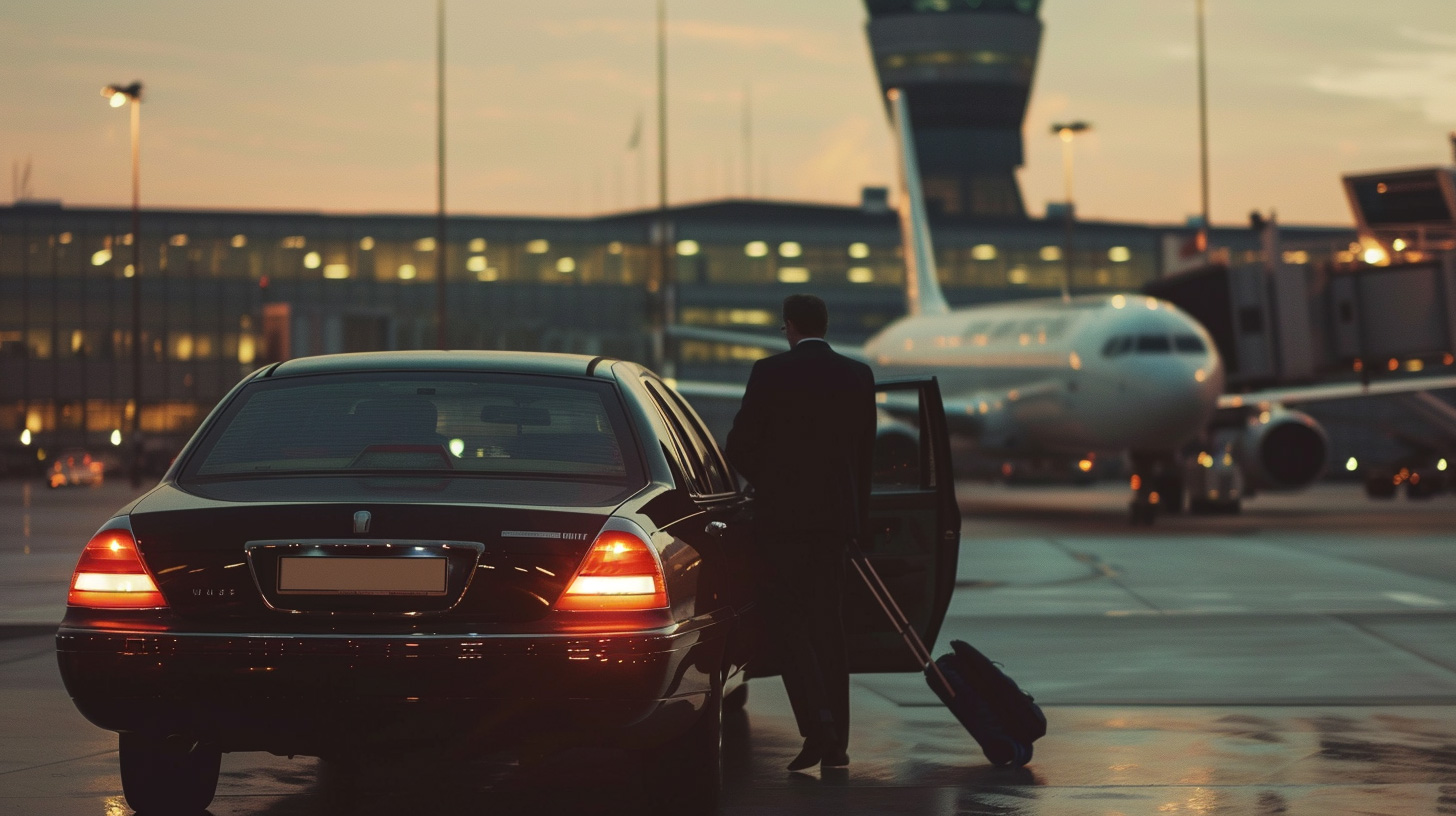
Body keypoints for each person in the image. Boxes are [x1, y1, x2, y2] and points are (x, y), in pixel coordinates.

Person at [726, 293, 876, 772]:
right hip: (835, 525)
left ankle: (818, 730)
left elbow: (739, 447)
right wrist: (857, 522)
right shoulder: (857, 375)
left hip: (782, 524)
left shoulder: (769, 373)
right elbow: (865, 458)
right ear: (824, 325)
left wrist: (772, 485)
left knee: (790, 628)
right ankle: (838, 742)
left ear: (789, 326)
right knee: (829, 628)